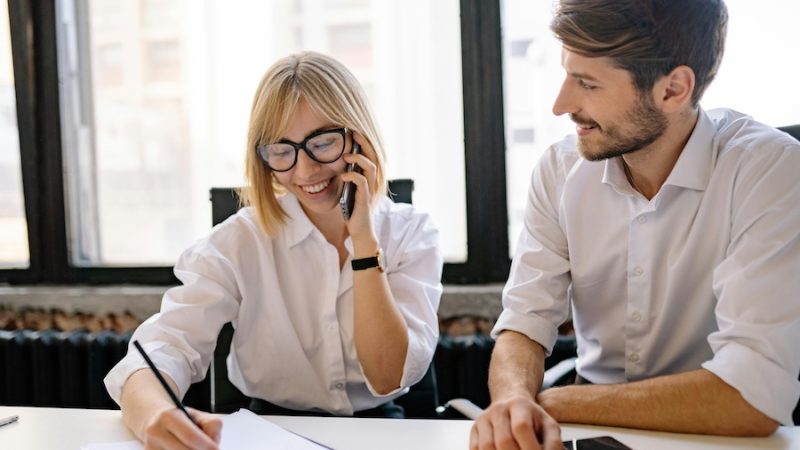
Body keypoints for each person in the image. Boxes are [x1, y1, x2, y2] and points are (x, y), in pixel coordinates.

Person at [471, 0, 800, 448]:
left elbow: (751, 397)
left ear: (673, 89)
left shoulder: (769, 169)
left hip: (715, 436)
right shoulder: (558, 169)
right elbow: (524, 323)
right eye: (567, 74)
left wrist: (552, 403)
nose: (560, 105)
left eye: (587, 83)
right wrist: (512, 402)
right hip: (587, 432)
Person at [105, 51, 443, 449]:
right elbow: (165, 345)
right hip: (267, 431)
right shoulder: (238, 241)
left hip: (378, 432)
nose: (305, 171)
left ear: (358, 138)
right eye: (282, 151)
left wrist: (364, 242)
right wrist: (153, 414)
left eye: (323, 142)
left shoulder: (409, 233)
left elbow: (387, 376)